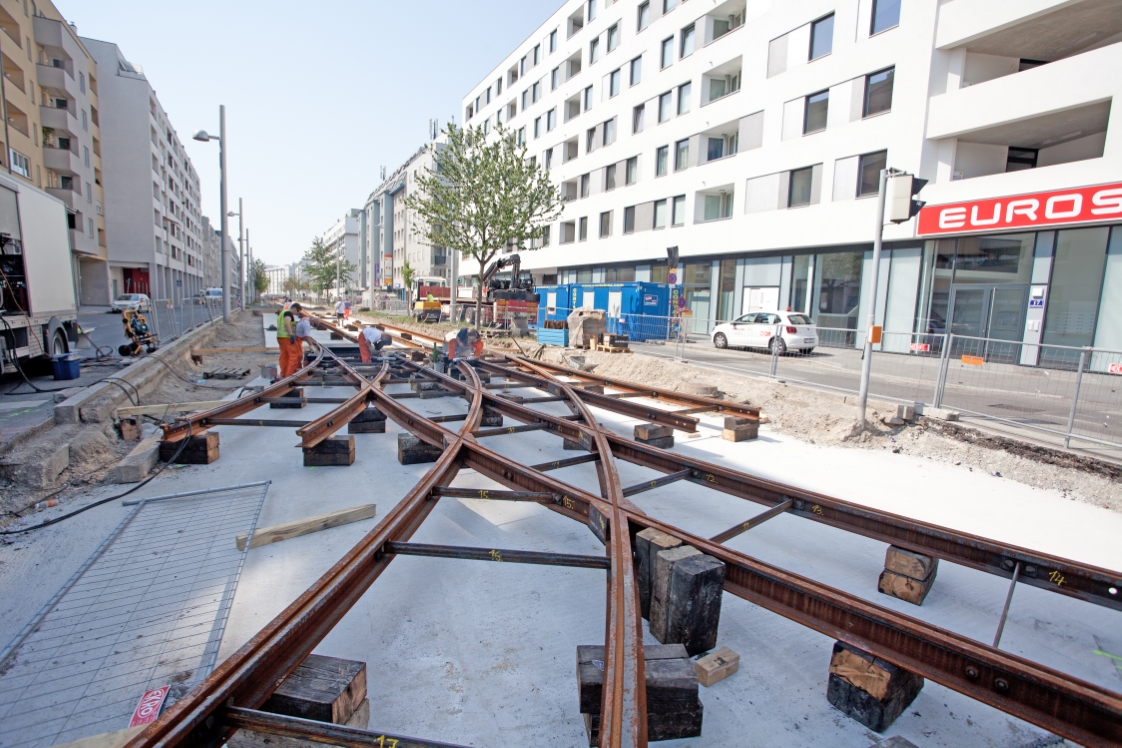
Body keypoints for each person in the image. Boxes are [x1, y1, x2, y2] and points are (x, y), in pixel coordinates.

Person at [275, 303, 297, 380]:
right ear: (294, 308)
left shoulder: (283, 312)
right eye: (297, 310)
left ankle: (283, 374)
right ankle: (289, 375)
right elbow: (287, 323)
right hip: (287, 338)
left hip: (280, 337)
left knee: (284, 355)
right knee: (293, 355)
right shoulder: (288, 313)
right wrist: (291, 335)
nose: (297, 313)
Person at [293, 307, 312, 371]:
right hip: (297, 340)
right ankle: (294, 371)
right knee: (298, 356)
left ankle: (297, 369)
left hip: (297, 339)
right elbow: (307, 336)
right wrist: (311, 346)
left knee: (298, 356)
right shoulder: (307, 324)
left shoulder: (305, 319)